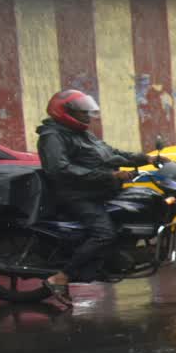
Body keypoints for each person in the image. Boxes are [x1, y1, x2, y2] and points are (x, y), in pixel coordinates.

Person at [36, 89, 159, 308]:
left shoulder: (81, 133)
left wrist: (145, 158)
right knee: (104, 233)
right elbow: (60, 169)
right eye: (83, 112)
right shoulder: (52, 137)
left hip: (99, 191)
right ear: (66, 112)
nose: (88, 116)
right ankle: (61, 277)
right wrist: (109, 175)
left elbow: (111, 153)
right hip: (76, 195)